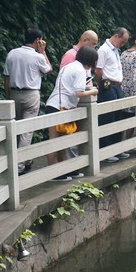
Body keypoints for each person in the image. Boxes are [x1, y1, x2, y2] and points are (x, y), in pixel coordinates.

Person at [43, 46, 99, 180]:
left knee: (62, 141)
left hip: (55, 104)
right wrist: (93, 91)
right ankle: (54, 173)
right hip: (59, 106)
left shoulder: (70, 66)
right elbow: (78, 92)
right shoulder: (80, 70)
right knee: (55, 141)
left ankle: (65, 170)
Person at [3, 28, 52, 175]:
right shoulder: (37, 56)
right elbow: (48, 70)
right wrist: (43, 52)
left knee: (16, 130)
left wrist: (8, 96)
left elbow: (6, 77)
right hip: (31, 94)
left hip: (14, 93)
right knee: (26, 132)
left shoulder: (12, 53)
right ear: (38, 40)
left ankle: (23, 160)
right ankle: (19, 166)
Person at [95, 27, 130, 163]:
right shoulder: (103, 50)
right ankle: (106, 150)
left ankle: (116, 148)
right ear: (116, 36)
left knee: (118, 117)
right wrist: (103, 84)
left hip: (117, 86)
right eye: (123, 41)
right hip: (108, 86)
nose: (123, 44)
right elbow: (98, 70)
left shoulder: (115, 50)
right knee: (107, 118)